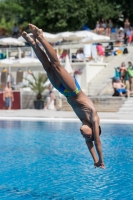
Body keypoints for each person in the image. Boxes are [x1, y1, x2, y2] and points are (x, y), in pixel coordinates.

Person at [22, 24, 104, 169]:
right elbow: (96, 142)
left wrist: (95, 161)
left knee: (47, 67)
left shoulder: (85, 123)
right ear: (93, 131)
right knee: (56, 65)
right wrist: (101, 160)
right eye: (86, 136)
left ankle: (33, 43)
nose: (83, 135)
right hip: (74, 90)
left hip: (63, 91)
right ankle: (40, 36)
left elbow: (89, 144)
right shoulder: (93, 117)